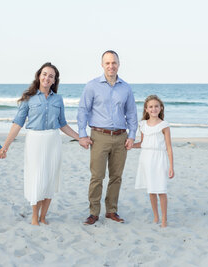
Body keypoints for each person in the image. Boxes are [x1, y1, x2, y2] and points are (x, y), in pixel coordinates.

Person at [0, 62, 79, 226]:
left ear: (55, 80)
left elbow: (62, 123)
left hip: (53, 140)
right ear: (39, 76)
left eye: (51, 76)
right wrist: (5, 146)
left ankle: (43, 216)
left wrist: (80, 138)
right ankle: (35, 216)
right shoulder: (29, 98)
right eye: (44, 74)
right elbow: (17, 124)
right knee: (36, 178)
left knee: (50, 179)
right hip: (35, 140)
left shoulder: (58, 99)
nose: (47, 78)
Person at [77, 50, 137, 225]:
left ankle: (111, 211)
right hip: (99, 136)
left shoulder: (126, 88)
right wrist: (82, 134)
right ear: (102, 65)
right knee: (97, 176)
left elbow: (132, 114)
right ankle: (94, 212)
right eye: (108, 63)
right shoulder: (92, 86)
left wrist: (132, 136)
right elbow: (83, 111)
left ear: (119, 64)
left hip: (120, 137)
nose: (111, 66)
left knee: (116, 176)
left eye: (114, 63)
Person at [133, 95, 174, 228]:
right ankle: (155, 216)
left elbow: (168, 147)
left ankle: (164, 219)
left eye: (156, 106)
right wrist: (130, 145)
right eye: (150, 106)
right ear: (146, 109)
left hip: (159, 159)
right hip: (146, 158)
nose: (153, 109)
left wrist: (171, 166)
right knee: (151, 190)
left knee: (160, 189)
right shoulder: (143, 125)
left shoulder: (164, 125)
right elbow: (142, 143)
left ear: (161, 108)